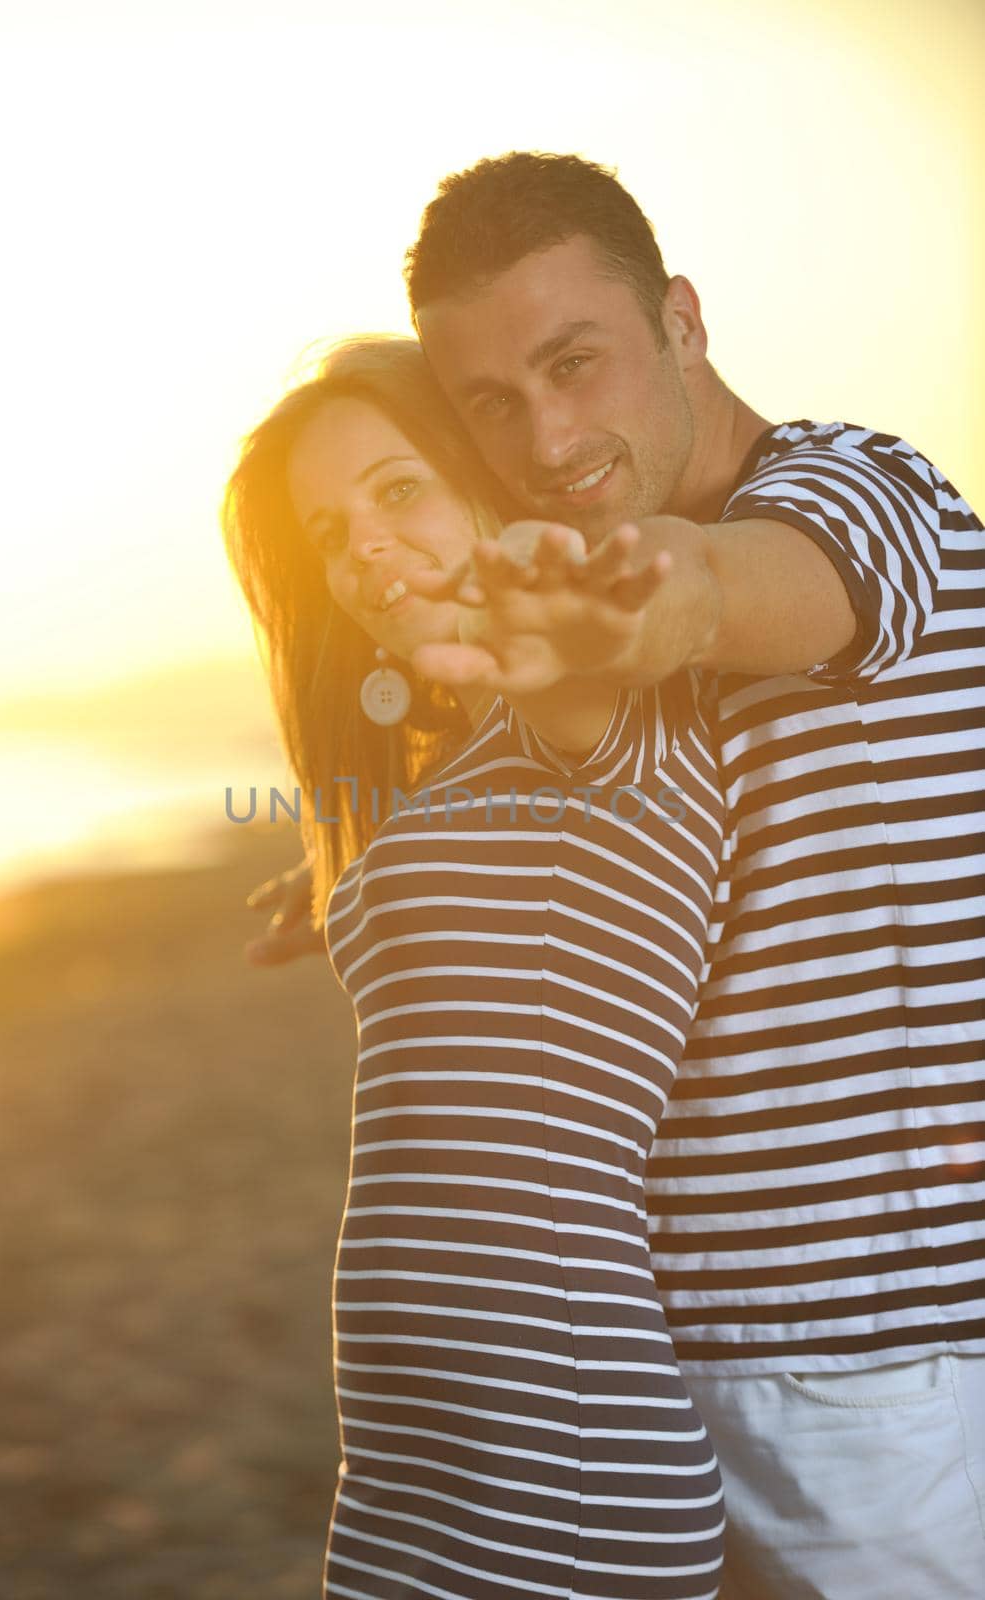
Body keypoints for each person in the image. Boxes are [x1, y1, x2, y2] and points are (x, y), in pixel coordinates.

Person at [249, 154, 985, 1598]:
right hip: (672, 1340)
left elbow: (725, 588)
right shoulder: (567, 637)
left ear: (683, 323)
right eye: (493, 404)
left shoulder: (859, 495)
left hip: (864, 1360)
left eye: (574, 363)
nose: (547, 433)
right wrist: (360, 860)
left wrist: (648, 611)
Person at [222, 336, 727, 1599]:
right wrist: (331, 882)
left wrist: (537, 586)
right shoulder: (460, 778)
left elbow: (567, 666)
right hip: (417, 1434)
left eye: (399, 491)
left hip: (550, 1428)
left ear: (484, 475)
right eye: (330, 533)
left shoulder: (593, 701)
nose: (364, 551)